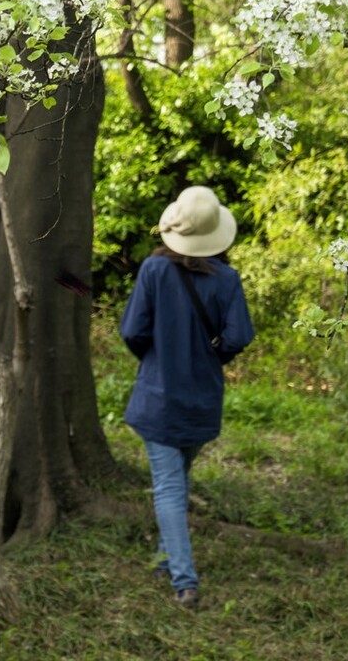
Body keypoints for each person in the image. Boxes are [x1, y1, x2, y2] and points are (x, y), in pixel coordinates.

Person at [119, 186, 255, 609]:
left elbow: (132, 330)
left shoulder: (154, 271)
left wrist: (156, 357)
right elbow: (239, 336)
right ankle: (167, 561)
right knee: (177, 481)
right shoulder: (227, 279)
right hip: (202, 398)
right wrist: (212, 355)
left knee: (168, 487)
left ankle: (184, 581)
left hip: (158, 396)